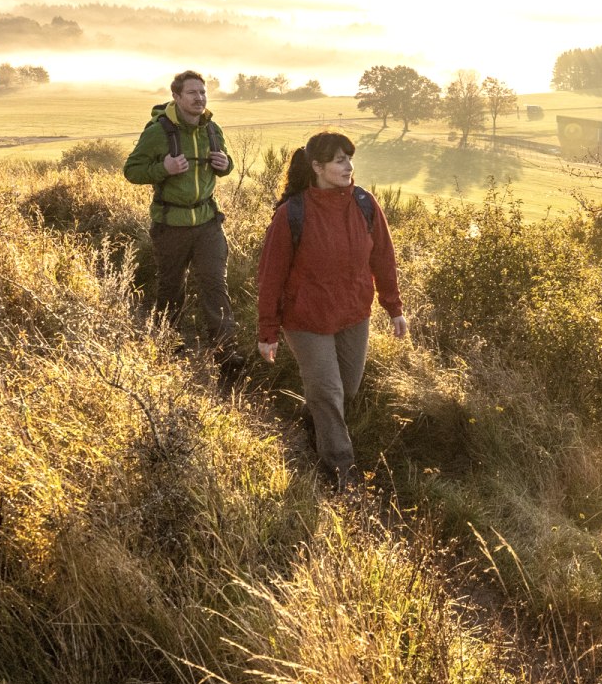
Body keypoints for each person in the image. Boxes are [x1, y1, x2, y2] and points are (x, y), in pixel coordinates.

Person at [255, 131, 407, 488]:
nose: (348, 166)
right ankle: (341, 470)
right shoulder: (292, 213)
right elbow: (271, 276)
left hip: (353, 313)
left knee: (347, 389)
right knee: (328, 391)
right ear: (317, 167)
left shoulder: (364, 203)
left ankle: (313, 427)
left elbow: (383, 258)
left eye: (349, 159)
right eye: (339, 160)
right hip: (306, 319)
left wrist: (394, 307)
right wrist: (267, 331)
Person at [123, 70, 238, 386]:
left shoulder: (211, 129)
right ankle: (166, 343)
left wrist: (224, 164)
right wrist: (164, 168)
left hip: (207, 223)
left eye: (203, 92)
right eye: (192, 93)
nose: (199, 98)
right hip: (171, 225)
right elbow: (131, 171)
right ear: (176, 97)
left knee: (215, 283)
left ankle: (227, 357)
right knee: (172, 287)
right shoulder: (159, 132)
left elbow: (226, 164)